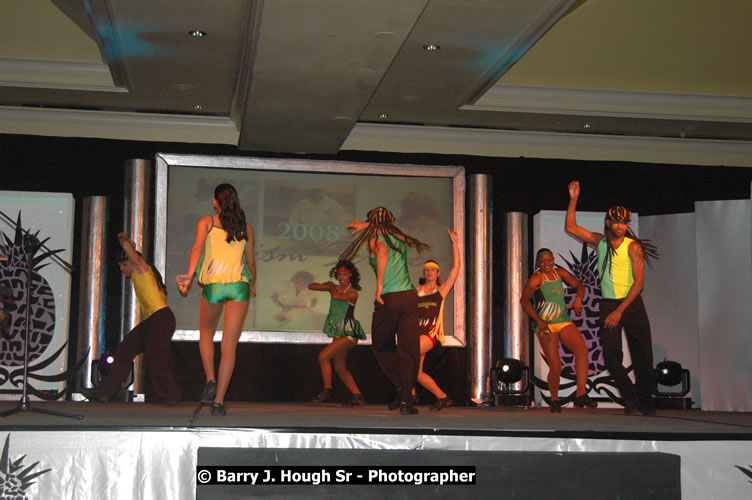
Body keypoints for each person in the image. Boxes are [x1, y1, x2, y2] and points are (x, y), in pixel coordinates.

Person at [565, 181, 659, 416]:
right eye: (617, 221)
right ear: (608, 222)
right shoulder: (600, 242)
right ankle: (630, 398)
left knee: (642, 355)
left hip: (631, 303)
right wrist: (574, 199)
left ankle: (646, 402)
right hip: (609, 303)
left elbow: (639, 284)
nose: (621, 226)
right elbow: (571, 227)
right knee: (610, 356)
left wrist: (621, 311)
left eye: (625, 222)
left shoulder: (633, 247)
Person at [176, 183, 256, 416]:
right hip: (239, 285)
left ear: (215, 201)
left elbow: (197, 249)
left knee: (206, 334)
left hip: (214, 285)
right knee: (229, 346)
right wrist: (251, 283)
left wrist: (190, 275)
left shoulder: (207, 222)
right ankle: (219, 402)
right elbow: (251, 262)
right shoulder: (246, 228)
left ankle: (211, 378)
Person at [342, 206, 430, 415]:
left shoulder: (375, 241)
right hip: (409, 298)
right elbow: (382, 232)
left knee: (381, 347)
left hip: (389, 297)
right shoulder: (398, 236)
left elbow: (381, 251)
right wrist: (366, 226)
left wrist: (380, 284)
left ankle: (403, 389)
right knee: (409, 351)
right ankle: (405, 398)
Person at [81, 233, 181, 404]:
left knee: (156, 361)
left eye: (123, 264)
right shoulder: (138, 272)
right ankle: (104, 393)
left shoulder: (141, 267)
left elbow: (129, 251)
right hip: (153, 320)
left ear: (133, 263)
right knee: (124, 350)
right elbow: (130, 251)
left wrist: (121, 238)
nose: (121, 268)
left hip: (161, 319)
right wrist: (130, 247)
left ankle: (171, 396)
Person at [520, 248, 598, 413]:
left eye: (549, 260)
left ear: (553, 260)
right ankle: (555, 399)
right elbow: (524, 301)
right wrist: (538, 320)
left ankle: (581, 394)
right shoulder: (536, 278)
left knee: (582, 350)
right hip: (546, 324)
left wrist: (578, 300)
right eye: (542, 261)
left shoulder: (560, 273)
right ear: (538, 263)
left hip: (563, 321)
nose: (546, 264)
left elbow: (579, 285)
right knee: (556, 366)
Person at [412, 228, 461, 410]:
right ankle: (442, 397)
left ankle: (410, 395)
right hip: (416, 333)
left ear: (438, 273)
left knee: (408, 356)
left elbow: (456, 269)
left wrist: (455, 244)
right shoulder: (417, 290)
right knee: (416, 373)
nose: (430, 272)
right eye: (427, 270)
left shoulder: (441, 291)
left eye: (433, 269)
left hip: (431, 334)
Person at [308, 260, 367, 406]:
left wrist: (331, 287)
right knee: (340, 366)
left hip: (349, 332)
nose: (341, 277)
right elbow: (311, 286)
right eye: (339, 275)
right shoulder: (334, 287)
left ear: (350, 275)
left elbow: (337, 297)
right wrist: (327, 285)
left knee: (323, 356)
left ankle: (327, 390)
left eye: (345, 275)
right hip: (338, 332)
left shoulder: (353, 293)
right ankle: (357, 395)